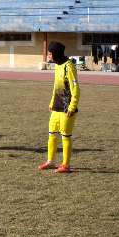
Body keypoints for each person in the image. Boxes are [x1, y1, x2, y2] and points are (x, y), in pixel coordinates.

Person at [39, 41, 80, 173]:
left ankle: (65, 165)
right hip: (57, 106)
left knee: (65, 136)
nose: (49, 56)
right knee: (52, 133)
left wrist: (72, 107)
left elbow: (76, 88)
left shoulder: (69, 66)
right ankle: (50, 161)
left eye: (50, 53)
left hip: (67, 107)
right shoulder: (57, 65)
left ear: (56, 53)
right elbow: (56, 86)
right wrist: (52, 102)